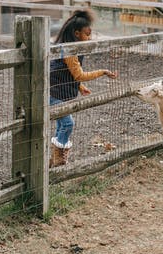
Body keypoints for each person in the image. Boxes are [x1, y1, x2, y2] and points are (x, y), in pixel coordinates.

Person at [49, 9, 118, 168]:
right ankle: (59, 160)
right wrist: (103, 72)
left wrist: (80, 87)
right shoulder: (70, 50)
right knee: (67, 124)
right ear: (77, 33)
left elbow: (69, 73)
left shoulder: (73, 48)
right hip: (56, 93)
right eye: (87, 34)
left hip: (61, 91)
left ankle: (55, 160)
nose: (90, 38)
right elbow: (78, 74)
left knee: (62, 125)